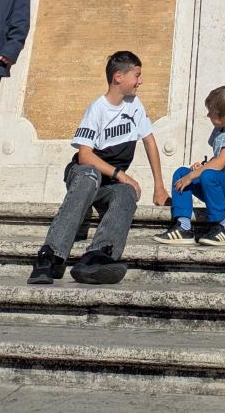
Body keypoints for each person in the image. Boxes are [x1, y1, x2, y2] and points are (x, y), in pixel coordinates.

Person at [28, 50, 170, 285]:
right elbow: (84, 156)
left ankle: (98, 257)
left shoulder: (135, 105)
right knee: (90, 175)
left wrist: (159, 187)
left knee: (126, 192)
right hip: (83, 174)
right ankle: (50, 257)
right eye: (137, 75)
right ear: (118, 77)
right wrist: (121, 174)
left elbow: (149, 142)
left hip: (111, 185)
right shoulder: (98, 108)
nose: (140, 81)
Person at [154, 85, 225, 246]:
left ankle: (220, 228)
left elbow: (220, 163)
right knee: (181, 173)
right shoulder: (219, 129)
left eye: (211, 113)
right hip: (215, 183)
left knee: (205, 175)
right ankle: (183, 226)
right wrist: (203, 165)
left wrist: (193, 175)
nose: (208, 115)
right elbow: (217, 158)